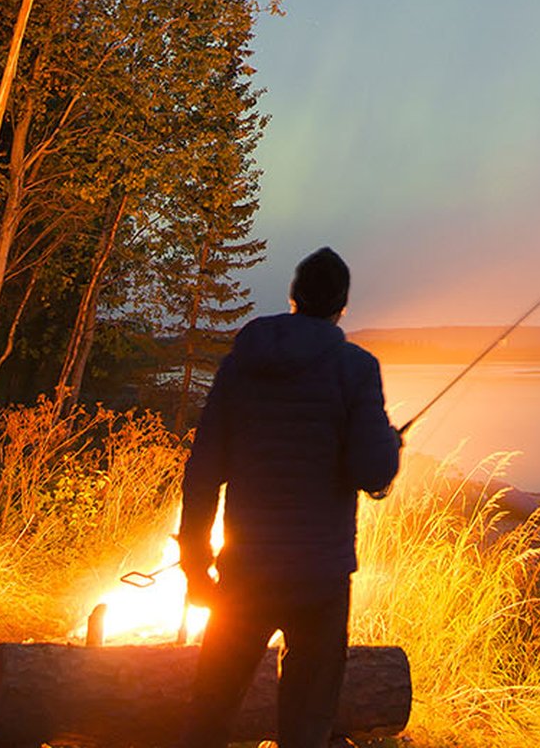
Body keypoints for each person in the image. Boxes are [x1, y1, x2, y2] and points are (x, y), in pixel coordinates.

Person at [173, 247, 403, 748]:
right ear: (341, 306)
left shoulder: (241, 365)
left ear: (293, 298)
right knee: (306, 726)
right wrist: (390, 442)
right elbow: (374, 473)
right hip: (319, 580)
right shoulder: (356, 369)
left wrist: (195, 563)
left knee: (210, 711)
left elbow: (203, 472)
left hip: (245, 571)